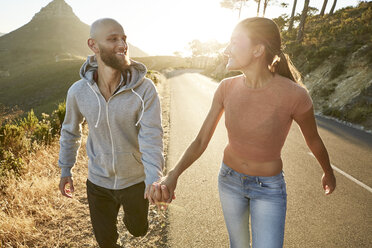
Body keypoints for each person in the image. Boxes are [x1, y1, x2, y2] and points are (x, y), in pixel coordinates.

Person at [152, 17, 336, 248]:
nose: (225, 50)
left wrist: (327, 172)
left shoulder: (295, 95)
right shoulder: (226, 88)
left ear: (258, 49)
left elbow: (314, 141)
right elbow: (201, 141)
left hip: (269, 188)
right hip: (229, 181)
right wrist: (173, 174)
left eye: (234, 43)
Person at [58, 18, 165, 248]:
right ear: (93, 45)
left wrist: (153, 178)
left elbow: (152, 136)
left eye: (124, 38)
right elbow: (70, 131)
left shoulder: (144, 89)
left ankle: (131, 218)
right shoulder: (78, 92)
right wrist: (65, 168)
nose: (122, 44)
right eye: (113, 39)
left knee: (138, 230)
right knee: (106, 242)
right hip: (98, 182)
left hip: (135, 181)